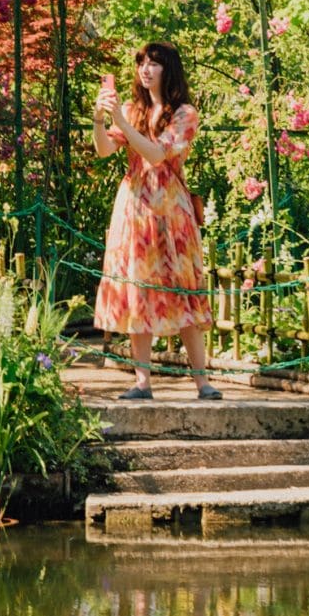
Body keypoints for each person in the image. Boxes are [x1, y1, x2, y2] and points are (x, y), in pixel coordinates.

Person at [93, 41, 217, 400]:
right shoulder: (131, 109)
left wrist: (122, 122)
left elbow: (157, 154)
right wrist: (102, 119)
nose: (145, 70)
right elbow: (104, 150)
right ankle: (142, 381)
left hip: (171, 211)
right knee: (137, 287)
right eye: (141, 63)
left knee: (184, 288)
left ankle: (201, 380)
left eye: (154, 64)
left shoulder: (184, 113)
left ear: (169, 69)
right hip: (134, 208)